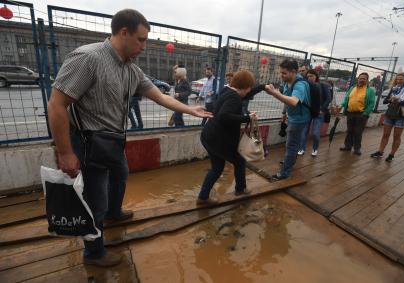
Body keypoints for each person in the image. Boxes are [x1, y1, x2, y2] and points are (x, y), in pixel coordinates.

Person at [47, 9, 212, 267]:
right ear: (123, 33)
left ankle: (114, 214)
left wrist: (190, 109)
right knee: (95, 200)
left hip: (114, 141)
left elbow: (159, 95)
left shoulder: (130, 69)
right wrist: (65, 153)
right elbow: (57, 104)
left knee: (121, 175)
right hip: (90, 142)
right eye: (141, 39)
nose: (144, 46)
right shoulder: (87, 58)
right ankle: (94, 253)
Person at [198, 70, 257, 204]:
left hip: (209, 136)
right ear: (246, 87)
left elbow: (229, 110)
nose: (249, 92)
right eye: (249, 89)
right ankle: (240, 190)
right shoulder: (234, 97)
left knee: (217, 167)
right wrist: (247, 118)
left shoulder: (227, 91)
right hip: (218, 140)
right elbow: (224, 116)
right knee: (240, 161)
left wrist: (246, 113)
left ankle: (203, 197)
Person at [265, 59, 311, 179]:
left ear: (294, 72)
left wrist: (274, 93)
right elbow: (286, 98)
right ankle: (289, 162)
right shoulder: (287, 82)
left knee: (290, 145)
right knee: (292, 144)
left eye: (284, 73)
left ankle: (284, 173)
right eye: (281, 72)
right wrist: (284, 114)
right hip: (292, 117)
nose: (281, 75)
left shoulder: (300, 84)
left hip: (299, 119)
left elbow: (293, 101)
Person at [370, 72, 404, 162]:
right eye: (397, 79)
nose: (398, 81)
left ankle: (391, 155)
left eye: (401, 79)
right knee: (385, 134)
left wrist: (398, 101)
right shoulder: (394, 88)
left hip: (401, 115)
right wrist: (391, 99)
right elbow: (385, 101)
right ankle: (380, 152)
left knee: (396, 136)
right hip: (390, 113)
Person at [339, 73, 376, 155]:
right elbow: (346, 99)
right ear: (358, 79)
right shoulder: (352, 88)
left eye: (364, 78)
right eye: (360, 78)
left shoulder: (370, 91)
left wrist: (365, 113)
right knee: (349, 131)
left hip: (361, 114)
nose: (362, 80)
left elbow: (371, 104)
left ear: (367, 80)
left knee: (358, 132)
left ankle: (357, 148)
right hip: (350, 113)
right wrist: (341, 106)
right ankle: (347, 146)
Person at [298, 69, 331, 156]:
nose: (309, 78)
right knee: (304, 132)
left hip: (319, 113)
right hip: (308, 112)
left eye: (311, 76)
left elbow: (328, 98)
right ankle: (302, 148)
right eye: (308, 76)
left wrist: (322, 109)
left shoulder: (323, 85)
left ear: (316, 76)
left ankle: (315, 148)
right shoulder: (306, 86)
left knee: (315, 133)